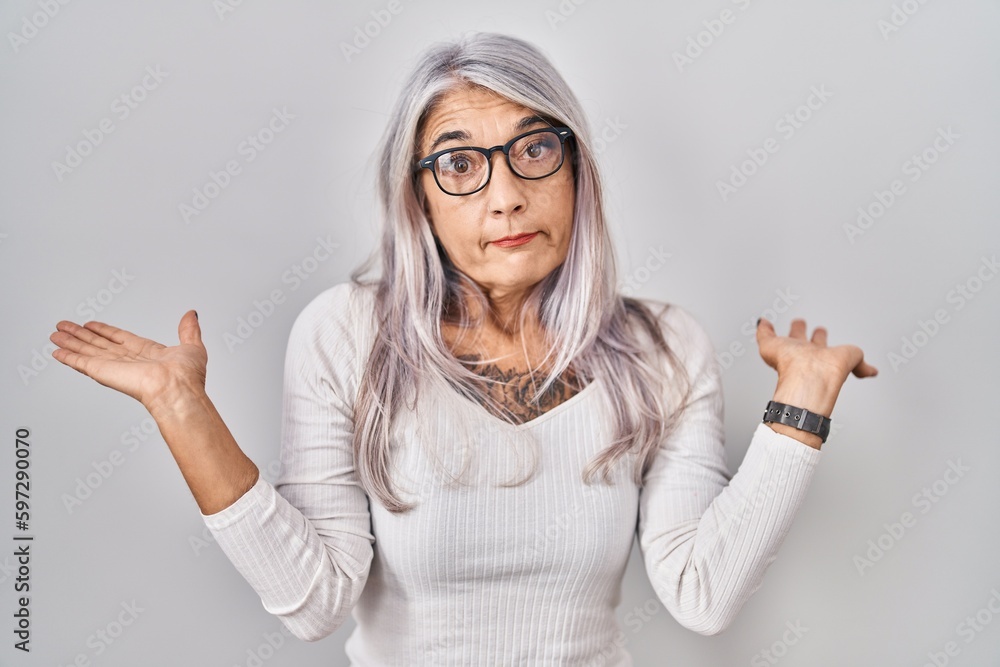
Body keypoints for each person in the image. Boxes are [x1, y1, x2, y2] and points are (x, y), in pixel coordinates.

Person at [49, 32, 877, 666]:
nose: (506, 195)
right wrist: (180, 406)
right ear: (419, 202)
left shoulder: (662, 346)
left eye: (535, 148)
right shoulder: (344, 333)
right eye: (459, 165)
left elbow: (703, 592)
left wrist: (797, 408)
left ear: (576, 167)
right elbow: (312, 601)